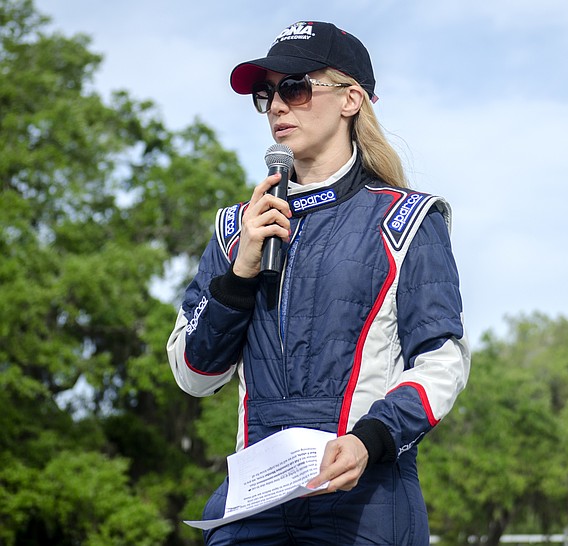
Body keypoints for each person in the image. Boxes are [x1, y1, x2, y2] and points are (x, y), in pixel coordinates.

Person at [166, 20, 470, 545]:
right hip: (254, 500)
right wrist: (240, 274)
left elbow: (442, 362)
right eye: (267, 94)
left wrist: (369, 440)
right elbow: (194, 374)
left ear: (352, 99)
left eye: (295, 87)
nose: (278, 106)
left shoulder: (410, 220)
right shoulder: (234, 228)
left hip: (365, 495)